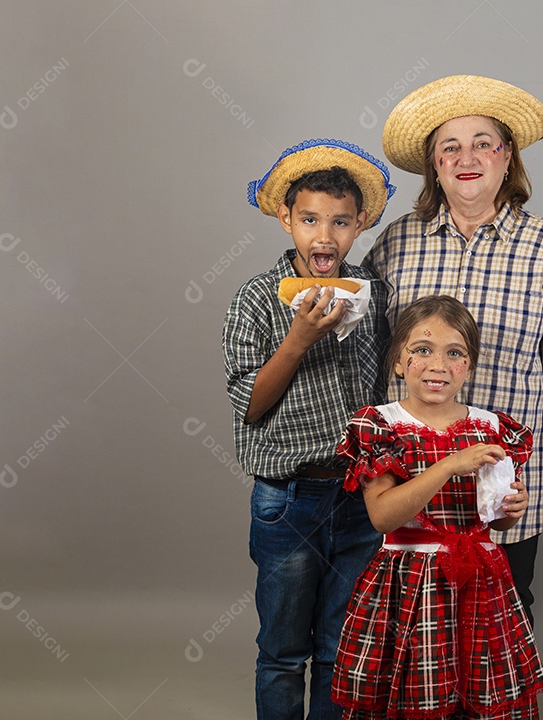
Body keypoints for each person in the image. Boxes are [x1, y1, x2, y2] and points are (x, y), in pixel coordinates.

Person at [367, 74, 543, 620]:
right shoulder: (395, 242)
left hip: (498, 490)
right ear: (434, 165)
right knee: (407, 618)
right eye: (450, 146)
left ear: (509, 158)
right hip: (406, 484)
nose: (468, 157)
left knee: (497, 618)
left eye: (484, 142)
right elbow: (363, 353)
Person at [223, 138, 396, 720]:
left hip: (358, 498)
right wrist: (298, 339)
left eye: (341, 223)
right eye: (310, 220)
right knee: (282, 650)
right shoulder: (255, 299)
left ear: (360, 224)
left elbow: (381, 397)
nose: (325, 237)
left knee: (340, 648)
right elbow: (248, 403)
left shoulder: (374, 296)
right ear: (285, 220)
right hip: (289, 498)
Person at [331, 294, 543, 720]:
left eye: (455, 353)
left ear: (469, 365)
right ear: (397, 362)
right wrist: (449, 465)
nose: (438, 364)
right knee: (416, 688)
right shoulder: (381, 424)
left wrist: (510, 509)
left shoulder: (489, 426)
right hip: (410, 578)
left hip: (480, 581)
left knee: (482, 686)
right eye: (422, 350)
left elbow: (495, 519)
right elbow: (383, 516)